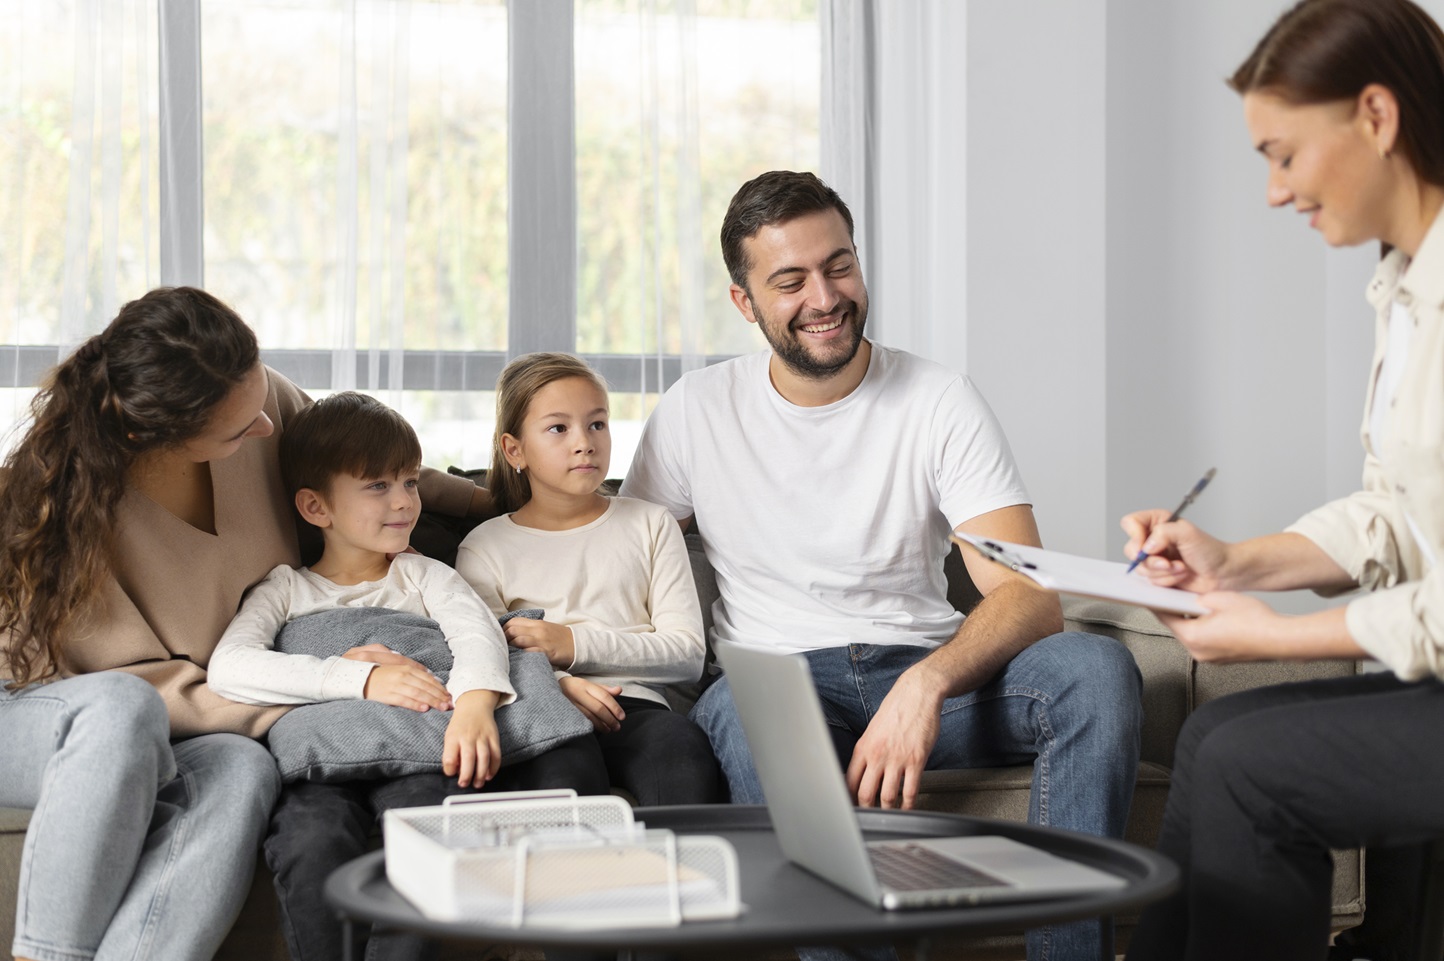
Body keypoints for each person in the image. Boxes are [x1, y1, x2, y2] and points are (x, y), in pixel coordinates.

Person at [620, 171, 1144, 961]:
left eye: (839, 266)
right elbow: (613, 551)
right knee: (746, 715)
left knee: (1097, 671)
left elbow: (1031, 597)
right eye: (790, 281)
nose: (825, 297)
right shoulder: (697, 409)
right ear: (745, 303)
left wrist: (927, 682)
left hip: (928, 674)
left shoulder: (938, 399)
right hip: (779, 682)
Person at [0, 286, 474, 961]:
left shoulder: (261, 404)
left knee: (243, 768)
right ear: (155, 436)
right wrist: (333, 684)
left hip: (188, 720)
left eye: (260, 400)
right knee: (122, 709)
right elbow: (138, 689)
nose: (266, 429)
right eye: (237, 428)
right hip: (38, 706)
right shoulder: (68, 508)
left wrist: (497, 501)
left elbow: (355, 462)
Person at [1119, 2, 1444, 959]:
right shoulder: (1409, 284)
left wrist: (1280, 635)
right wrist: (1237, 562)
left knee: (1253, 771)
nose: (1272, 191)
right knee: (1215, 743)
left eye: (1284, 153)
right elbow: (1398, 513)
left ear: (1375, 117)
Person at [207, 390, 610, 961]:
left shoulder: (424, 576)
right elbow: (231, 667)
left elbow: (477, 636)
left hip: (421, 750)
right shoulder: (284, 588)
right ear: (316, 508)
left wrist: (473, 706)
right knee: (309, 841)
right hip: (324, 764)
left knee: (430, 832)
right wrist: (360, 680)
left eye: (410, 482)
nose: (403, 502)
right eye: (378, 486)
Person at [456, 352, 721, 806]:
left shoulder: (652, 524)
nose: (585, 442)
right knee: (561, 775)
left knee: (682, 756)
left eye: (597, 424)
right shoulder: (484, 547)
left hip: (636, 707)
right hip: (542, 707)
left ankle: (681, 876)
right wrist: (558, 683)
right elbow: (484, 656)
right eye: (559, 428)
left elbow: (687, 654)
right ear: (514, 449)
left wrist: (571, 643)